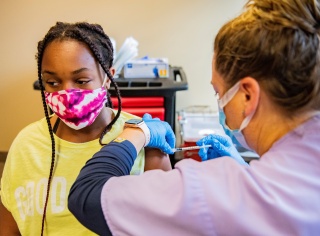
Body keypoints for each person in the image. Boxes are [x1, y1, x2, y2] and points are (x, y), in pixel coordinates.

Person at [68, 0, 320, 235]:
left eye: (218, 92)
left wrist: (137, 133)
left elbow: (87, 195)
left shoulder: (217, 192)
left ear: (247, 96)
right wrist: (244, 170)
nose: (219, 103)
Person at [0, 22, 174, 236]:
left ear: (108, 78)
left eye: (81, 80)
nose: (67, 93)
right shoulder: (26, 145)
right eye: (52, 82)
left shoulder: (145, 144)